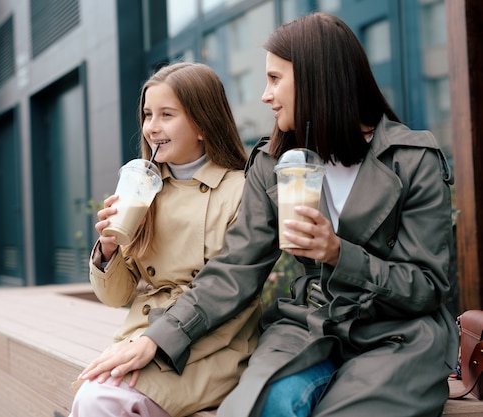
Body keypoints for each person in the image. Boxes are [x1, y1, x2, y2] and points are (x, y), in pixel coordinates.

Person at [77, 12, 459, 417]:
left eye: (275, 79)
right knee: (264, 405)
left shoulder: (413, 160)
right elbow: (233, 271)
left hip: (396, 334)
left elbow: (428, 286)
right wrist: (160, 337)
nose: (265, 94)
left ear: (317, 77)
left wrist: (337, 254)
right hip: (311, 326)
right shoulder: (272, 162)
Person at [71, 62, 262, 417]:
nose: (151, 127)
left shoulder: (241, 190)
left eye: (166, 114)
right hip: (144, 335)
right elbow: (115, 296)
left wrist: (157, 342)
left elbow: (230, 288)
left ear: (203, 124)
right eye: (147, 114)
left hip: (211, 346)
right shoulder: (143, 188)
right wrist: (109, 250)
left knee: (99, 400)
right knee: (95, 396)